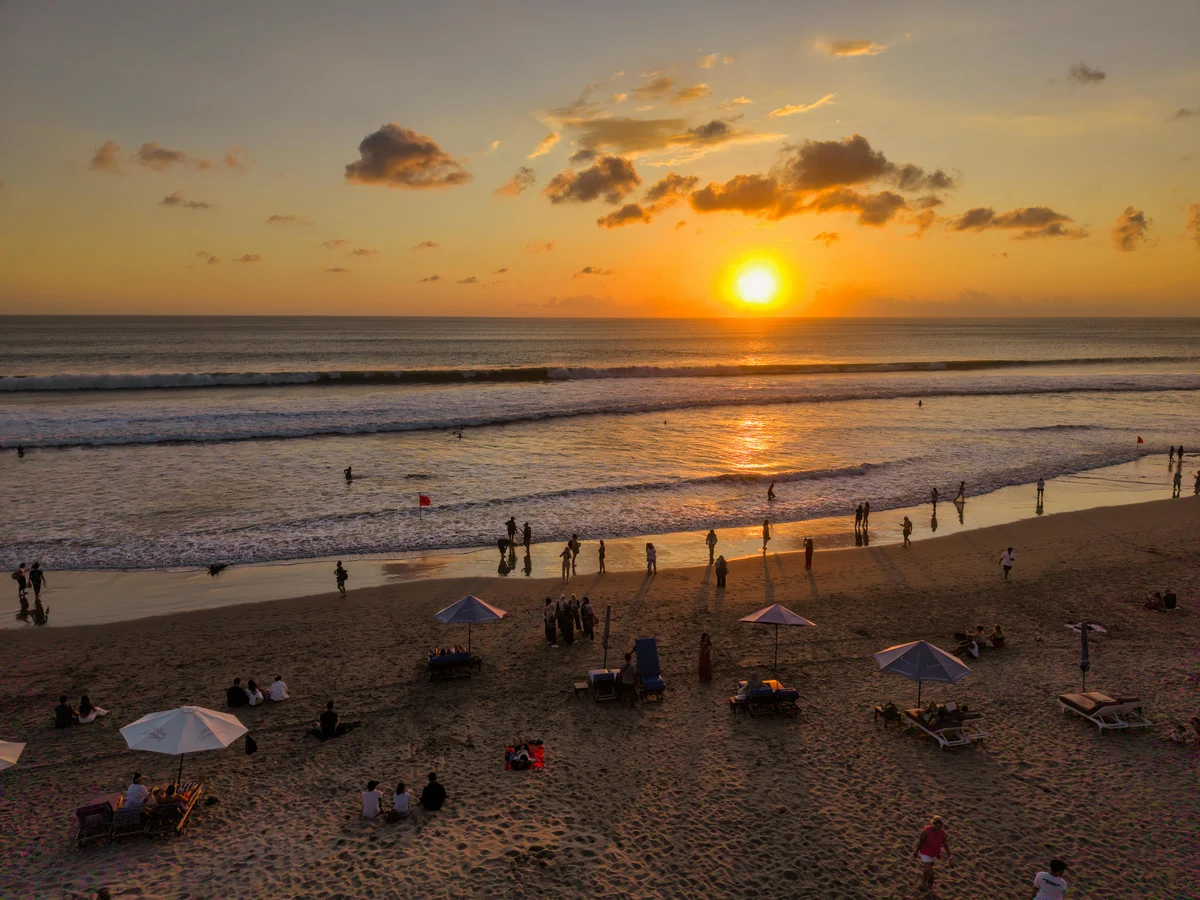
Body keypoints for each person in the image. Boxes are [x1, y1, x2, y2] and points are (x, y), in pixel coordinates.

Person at [913, 815, 952, 890]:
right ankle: (930, 889)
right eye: (936, 827)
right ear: (933, 824)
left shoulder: (942, 833)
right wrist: (916, 851)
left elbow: (945, 844)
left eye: (940, 827)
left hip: (934, 854)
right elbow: (920, 843)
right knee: (931, 873)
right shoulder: (926, 832)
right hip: (925, 852)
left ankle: (924, 881)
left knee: (927, 869)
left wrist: (950, 857)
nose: (938, 829)